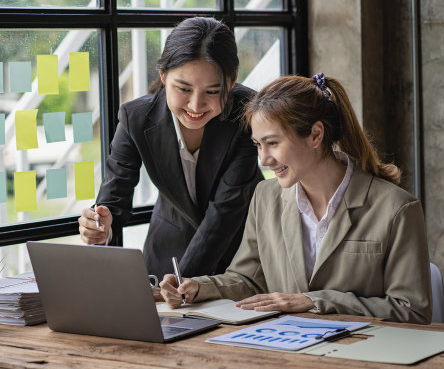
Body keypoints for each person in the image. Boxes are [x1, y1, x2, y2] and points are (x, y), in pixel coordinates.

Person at [160, 73, 432, 323]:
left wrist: (314, 301)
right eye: (258, 145)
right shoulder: (266, 197)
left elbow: (411, 310)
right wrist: (197, 288)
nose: (263, 159)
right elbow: (247, 280)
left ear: (315, 135)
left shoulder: (396, 208)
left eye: (273, 143)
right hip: (287, 348)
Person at [77, 17, 263, 279]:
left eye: (212, 91)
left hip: (241, 261)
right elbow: (113, 198)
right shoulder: (136, 118)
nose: (196, 106)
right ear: (163, 76)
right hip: (167, 258)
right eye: (183, 88)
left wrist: (181, 283)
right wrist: (100, 225)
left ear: (231, 83)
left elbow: (226, 212)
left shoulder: (248, 112)